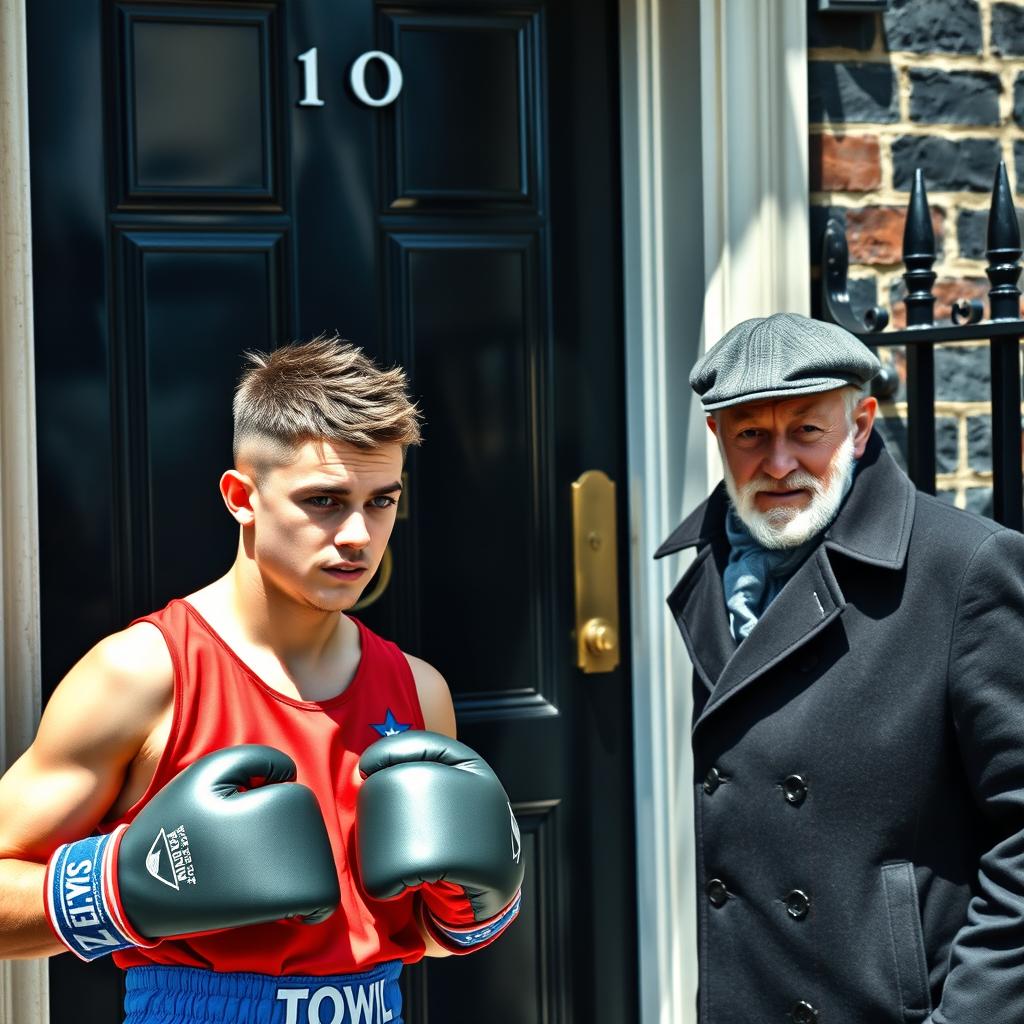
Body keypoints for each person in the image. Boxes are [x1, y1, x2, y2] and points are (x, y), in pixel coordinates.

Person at [0, 337, 523, 1024]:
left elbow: (418, 938)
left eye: (381, 501)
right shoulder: (144, 673)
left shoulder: (418, 690)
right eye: (326, 501)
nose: (360, 535)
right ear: (241, 497)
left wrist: (475, 912)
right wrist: (124, 892)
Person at [655, 312, 1024, 1024]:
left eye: (807, 431)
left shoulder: (967, 568)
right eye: (751, 435)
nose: (779, 463)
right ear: (717, 438)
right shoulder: (710, 569)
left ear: (860, 425)